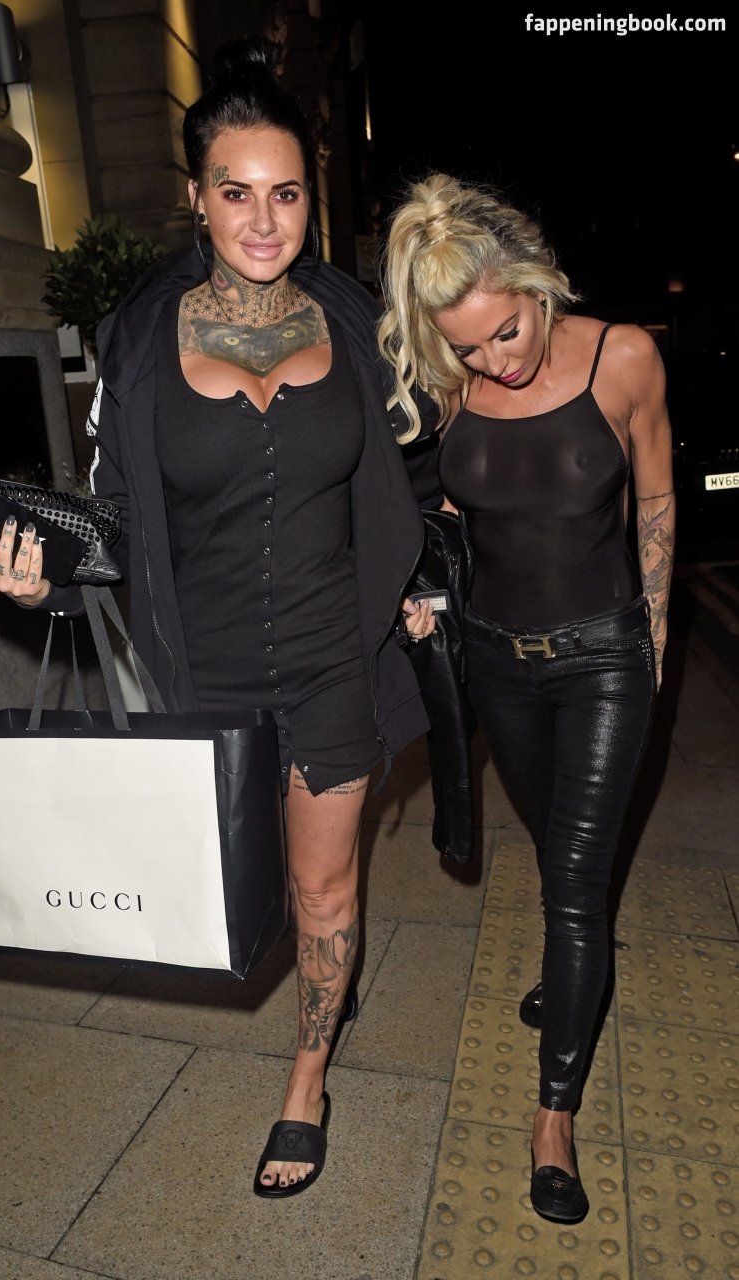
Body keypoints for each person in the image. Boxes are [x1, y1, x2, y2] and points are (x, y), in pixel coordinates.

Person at [0, 43, 437, 1198]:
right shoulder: (140, 338)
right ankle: (316, 994)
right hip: (209, 664)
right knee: (250, 893)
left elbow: (412, 467)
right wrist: (47, 580)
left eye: (287, 193)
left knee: (327, 890)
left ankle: (307, 1080)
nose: (264, 220)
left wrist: (420, 579)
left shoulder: (356, 320)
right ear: (197, 196)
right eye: (237, 191)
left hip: (335, 653)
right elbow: (113, 514)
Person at [379, 175, 675, 1222]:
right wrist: (432, 595)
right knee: (552, 847)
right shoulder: (455, 383)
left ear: (536, 282)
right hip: (498, 660)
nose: (496, 360)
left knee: (576, 885)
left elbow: (655, 498)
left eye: (507, 330)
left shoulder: (622, 356)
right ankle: (568, 972)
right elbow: (462, 509)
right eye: (469, 347)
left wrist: (653, 640)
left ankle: (554, 1117)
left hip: (602, 659)